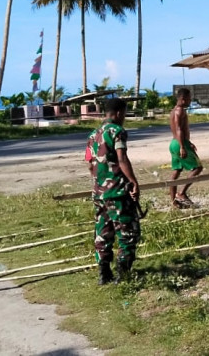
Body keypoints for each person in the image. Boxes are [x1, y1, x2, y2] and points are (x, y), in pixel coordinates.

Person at [86, 98, 140, 285]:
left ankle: (104, 273)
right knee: (127, 232)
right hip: (117, 192)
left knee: (103, 232)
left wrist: (100, 182)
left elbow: (89, 163)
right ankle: (122, 274)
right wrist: (133, 181)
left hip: (99, 193)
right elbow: (122, 158)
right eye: (124, 113)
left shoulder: (93, 135)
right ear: (118, 113)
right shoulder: (117, 131)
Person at [169, 88, 203, 208]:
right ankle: (181, 193)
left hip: (174, 143)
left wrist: (189, 142)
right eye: (189, 99)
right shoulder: (179, 111)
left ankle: (173, 201)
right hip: (180, 143)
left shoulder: (173, 111)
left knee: (177, 171)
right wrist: (183, 146)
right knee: (198, 167)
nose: (190, 101)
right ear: (183, 99)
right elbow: (178, 129)